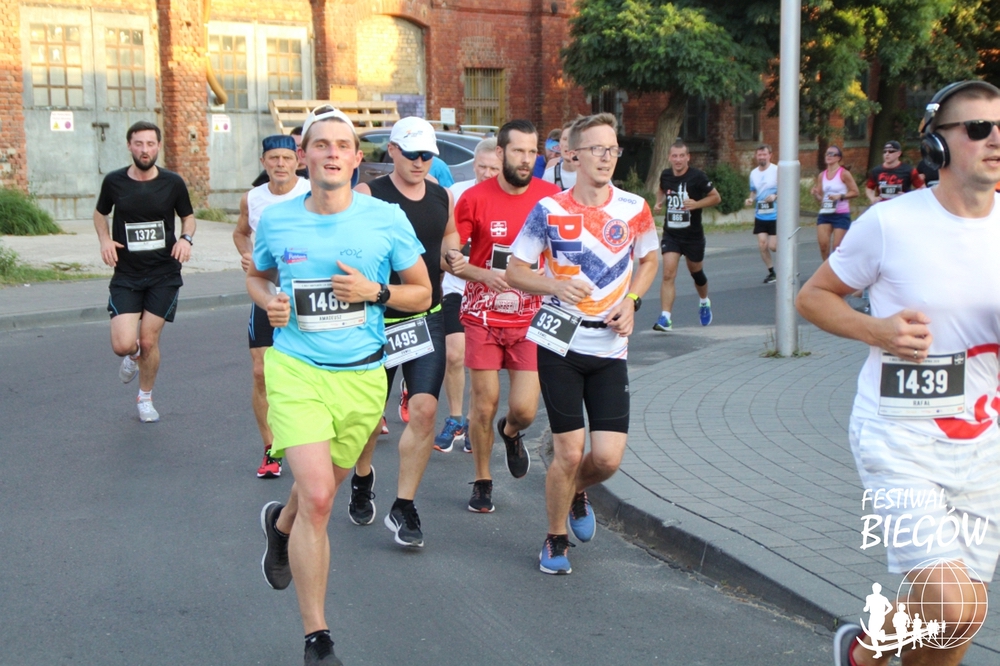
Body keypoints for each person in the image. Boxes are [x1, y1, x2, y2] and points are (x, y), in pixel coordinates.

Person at [797, 80, 1000, 666]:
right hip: (900, 436)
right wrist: (877, 330)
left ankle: (865, 653)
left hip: (984, 444)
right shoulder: (891, 223)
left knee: (957, 621)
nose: (994, 139)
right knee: (954, 606)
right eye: (978, 128)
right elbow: (813, 298)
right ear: (938, 143)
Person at [253, 105, 431, 666]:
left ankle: (280, 527)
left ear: (357, 159)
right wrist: (270, 301)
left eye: (342, 145)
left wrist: (374, 293)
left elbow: (423, 293)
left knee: (316, 496)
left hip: (361, 377)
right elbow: (257, 276)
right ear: (303, 156)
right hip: (296, 369)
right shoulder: (277, 220)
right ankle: (318, 638)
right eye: (320, 144)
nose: (331, 153)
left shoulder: (385, 218)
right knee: (320, 499)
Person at [506, 112, 659, 574]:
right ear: (573, 155)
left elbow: (649, 259)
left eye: (613, 149)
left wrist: (632, 300)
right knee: (569, 451)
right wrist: (553, 286)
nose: (607, 158)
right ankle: (555, 540)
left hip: (610, 346)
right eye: (597, 149)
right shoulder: (549, 210)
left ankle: (574, 490)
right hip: (560, 343)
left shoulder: (634, 207)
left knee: (607, 460)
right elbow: (515, 270)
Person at [347, 116, 462, 548]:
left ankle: (404, 505)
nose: (419, 162)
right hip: (376, 318)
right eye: (411, 154)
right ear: (392, 150)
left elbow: (448, 237)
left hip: (425, 315)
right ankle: (362, 478)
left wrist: (455, 257)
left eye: (427, 155)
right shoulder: (369, 195)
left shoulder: (441, 194)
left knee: (425, 409)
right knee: (367, 416)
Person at [449, 119, 560, 513]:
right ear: (501, 153)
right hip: (482, 314)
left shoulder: (551, 198)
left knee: (525, 409)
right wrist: (480, 274)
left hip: (531, 318)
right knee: (484, 404)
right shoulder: (473, 198)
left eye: (532, 152)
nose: (526, 159)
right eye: (518, 151)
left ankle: (511, 432)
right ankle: (482, 480)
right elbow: (450, 256)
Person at [94, 120, 195, 423]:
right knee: (123, 344)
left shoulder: (172, 182)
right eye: (138, 143)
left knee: (149, 341)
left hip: (164, 273)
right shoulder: (114, 182)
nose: (144, 149)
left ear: (158, 146)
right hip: (127, 274)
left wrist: (185, 239)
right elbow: (100, 214)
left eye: (150, 144)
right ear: (129, 146)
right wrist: (104, 240)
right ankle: (131, 354)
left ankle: (145, 398)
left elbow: (188, 217)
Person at [233, 135, 312, 478]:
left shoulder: (311, 192)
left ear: (298, 161)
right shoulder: (252, 198)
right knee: (260, 371)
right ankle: (271, 448)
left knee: (308, 370)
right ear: (263, 162)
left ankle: (310, 438)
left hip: (307, 294)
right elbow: (240, 232)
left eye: (286, 158)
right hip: (268, 291)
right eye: (273, 158)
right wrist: (247, 254)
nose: (280, 164)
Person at [435, 138, 502, 453]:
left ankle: (476, 420)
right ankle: (455, 419)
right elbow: (441, 245)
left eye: (493, 168)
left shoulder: (509, 198)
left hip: (493, 291)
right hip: (457, 287)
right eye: (481, 167)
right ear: (473, 165)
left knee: (481, 363)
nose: (486, 173)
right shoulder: (456, 194)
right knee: (454, 354)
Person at [652, 140, 721, 331]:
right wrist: (659, 202)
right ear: (669, 157)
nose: (678, 160)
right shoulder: (666, 175)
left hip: (693, 236)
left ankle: (704, 301)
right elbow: (661, 189)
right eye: (674, 156)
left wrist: (696, 204)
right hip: (671, 234)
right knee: (668, 274)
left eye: (682, 156)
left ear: (688, 157)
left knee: (696, 273)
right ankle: (665, 318)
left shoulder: (697, 177)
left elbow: (716, 197)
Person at [810, 145, 860, 261]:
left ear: (838, 158)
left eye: (832, 154)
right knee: (823, 246)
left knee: (837, 247)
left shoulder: (844, 173)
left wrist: (840, 196)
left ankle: (838, 269)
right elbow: (821, 199)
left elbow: (855, 192)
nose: (829, 156)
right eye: (827, 153)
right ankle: (827, 268)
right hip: (825, 213)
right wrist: (816, 194)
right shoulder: (822, 175)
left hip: (841, 214)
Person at [744, 144, 778, 284]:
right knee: (762, 245)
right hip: (761, 214)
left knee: (773, 246)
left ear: (770, 155)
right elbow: (754, 191)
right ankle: (772, 273)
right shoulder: (753, 173)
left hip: (776, 215)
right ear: (756, 156)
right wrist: (750, 199)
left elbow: (787, 187)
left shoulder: (777, 170)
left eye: (764, 154)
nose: (762, 157)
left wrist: (775, 196)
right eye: (759, 155)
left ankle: (788, 264)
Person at [865, 140, 924, 204]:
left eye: (891, 151)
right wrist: (872, 198)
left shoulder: (909, 170)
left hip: (902, 205)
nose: (887, 154)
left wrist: (908, 196)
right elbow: (869, 188)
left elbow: (922, 188)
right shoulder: (876, 171)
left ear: (899, 153)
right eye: (884, 152)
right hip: (883, 206)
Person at [543, 122, 578, 191]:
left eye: (572, 140)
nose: (567, 144)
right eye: (565, 139)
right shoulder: (549, 175)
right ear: (560, 143)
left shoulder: (589, 176)